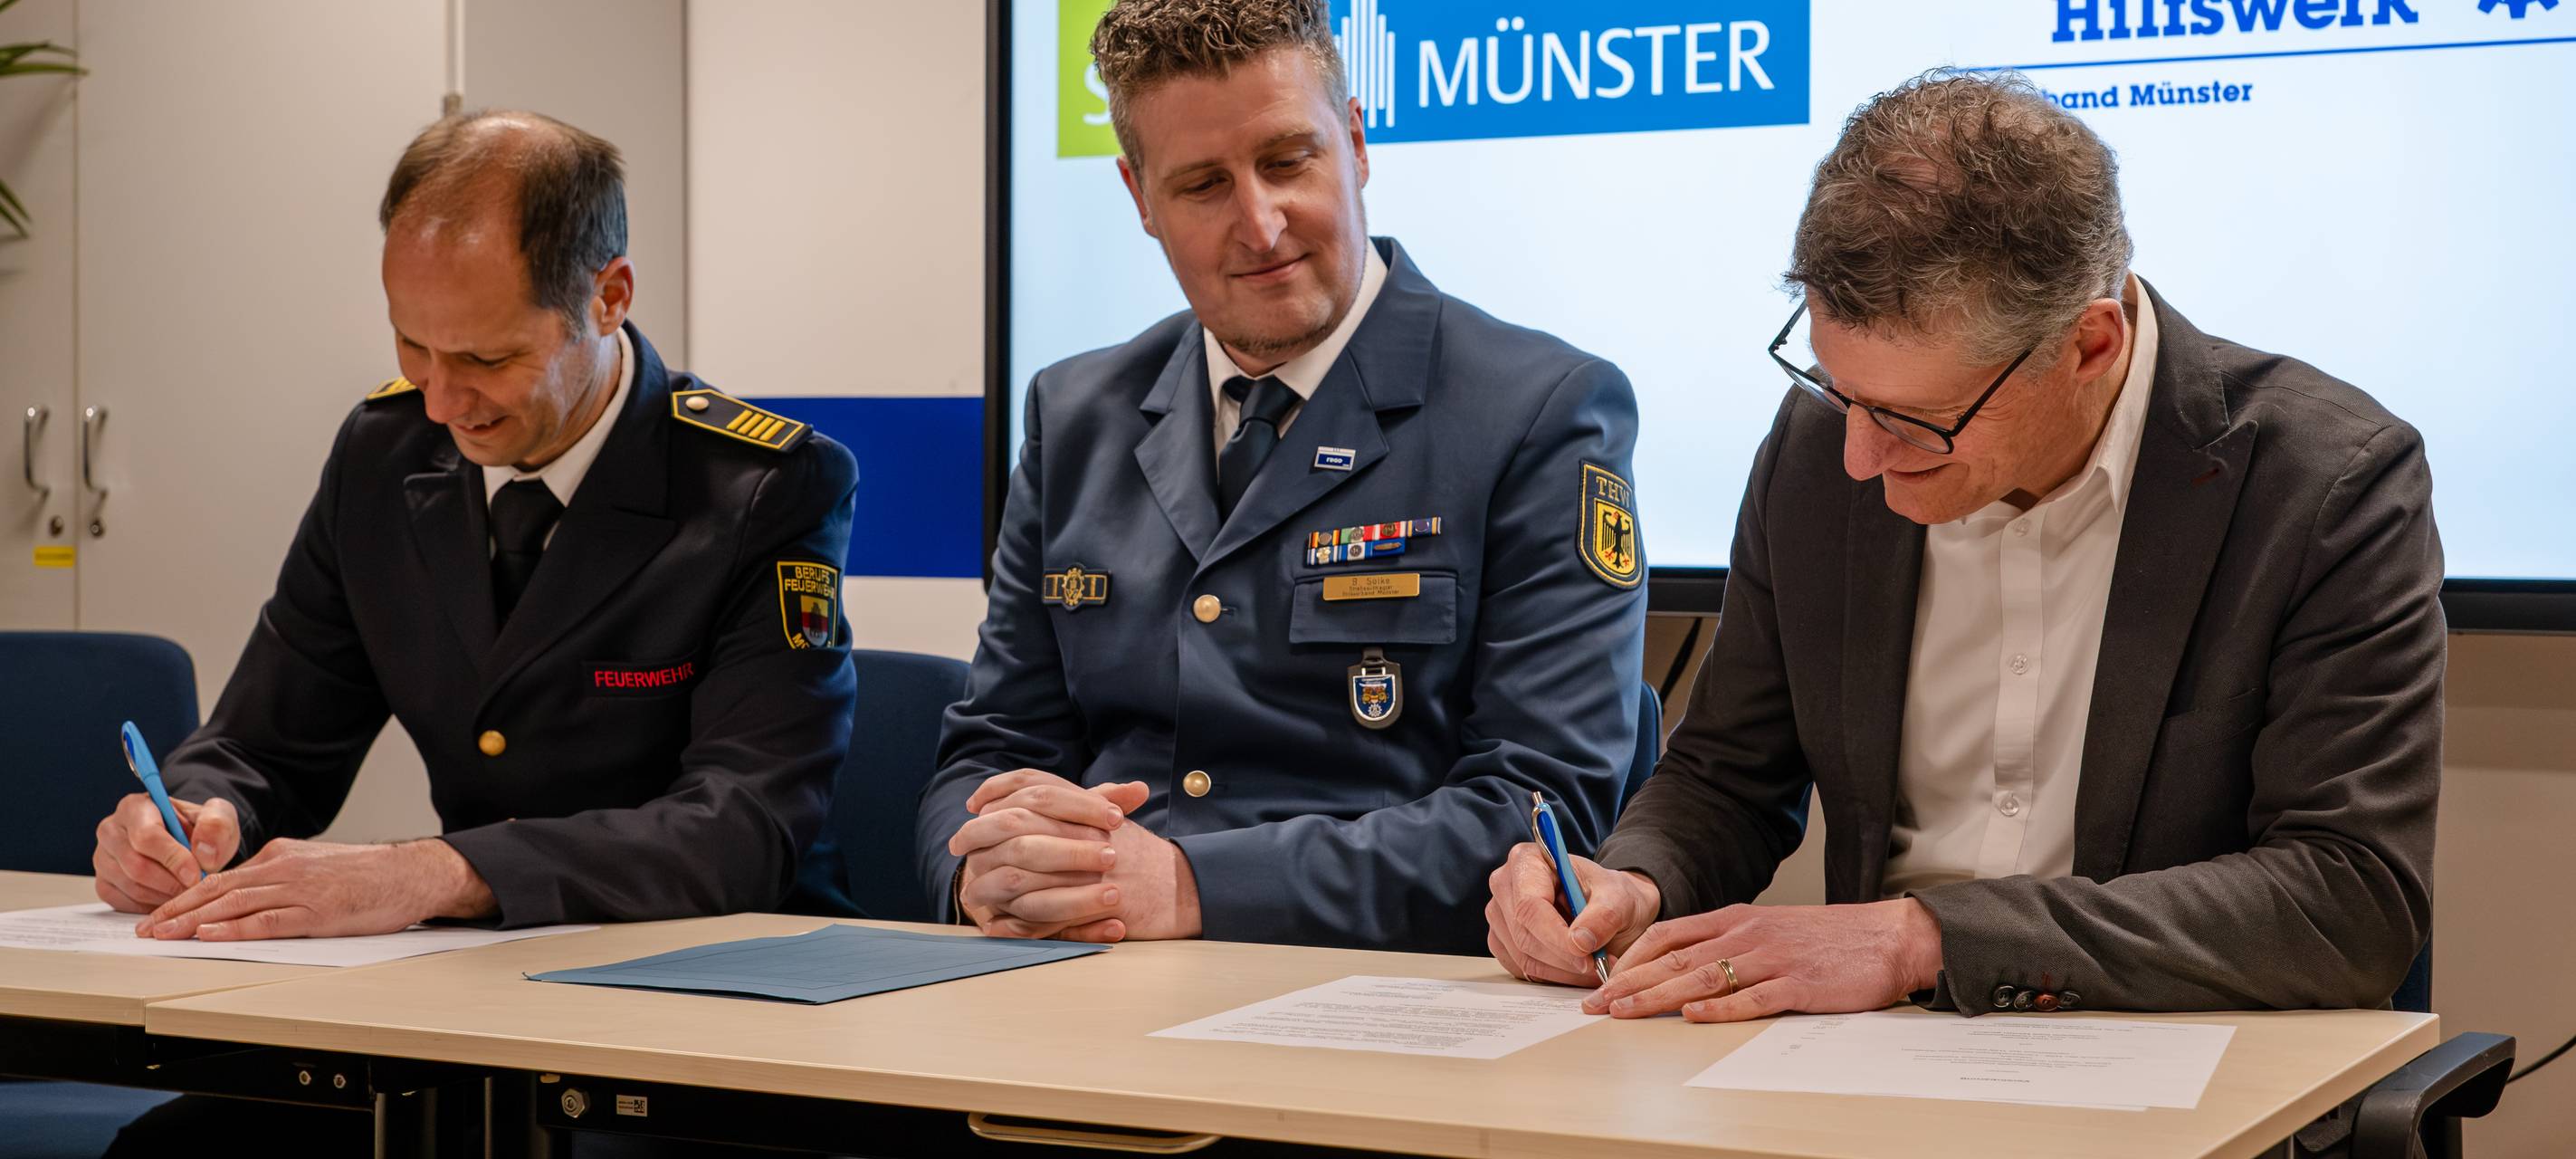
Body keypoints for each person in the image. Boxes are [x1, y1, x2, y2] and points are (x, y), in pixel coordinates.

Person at [1486, 71, 2441, 1021]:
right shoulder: (1817, 448)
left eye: (1914, 419)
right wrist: (1631, 881)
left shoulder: (2324, 484)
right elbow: (1725, 774)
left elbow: (2346, 898)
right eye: (1836, 388)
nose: (1861, 456)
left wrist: (1922, 937)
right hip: (1867, 1063)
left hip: (2175, 1051)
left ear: (2089, 346)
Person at [920, 0, 1647, 953]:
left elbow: (1538, 808)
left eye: (1285, 162)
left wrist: (1190, 885)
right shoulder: (1073, 413)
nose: (1258, 226)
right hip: (1078, 968)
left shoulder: (1539, 407)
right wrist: (982, 869)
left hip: (1375, 994)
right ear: (1139, 198)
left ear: (1353, 142)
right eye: (1201, 186)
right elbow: (991, 749)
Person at [88, 110, 859, 943]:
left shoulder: (757, 486)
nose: (440, 402)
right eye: (412, 345)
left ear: (608, 297)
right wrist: (193, 817)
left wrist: (437, 870)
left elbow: (739, 829)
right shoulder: (383, 455)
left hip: (724, 973)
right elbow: (266, 741)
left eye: (487, 360)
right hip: (476, 977)